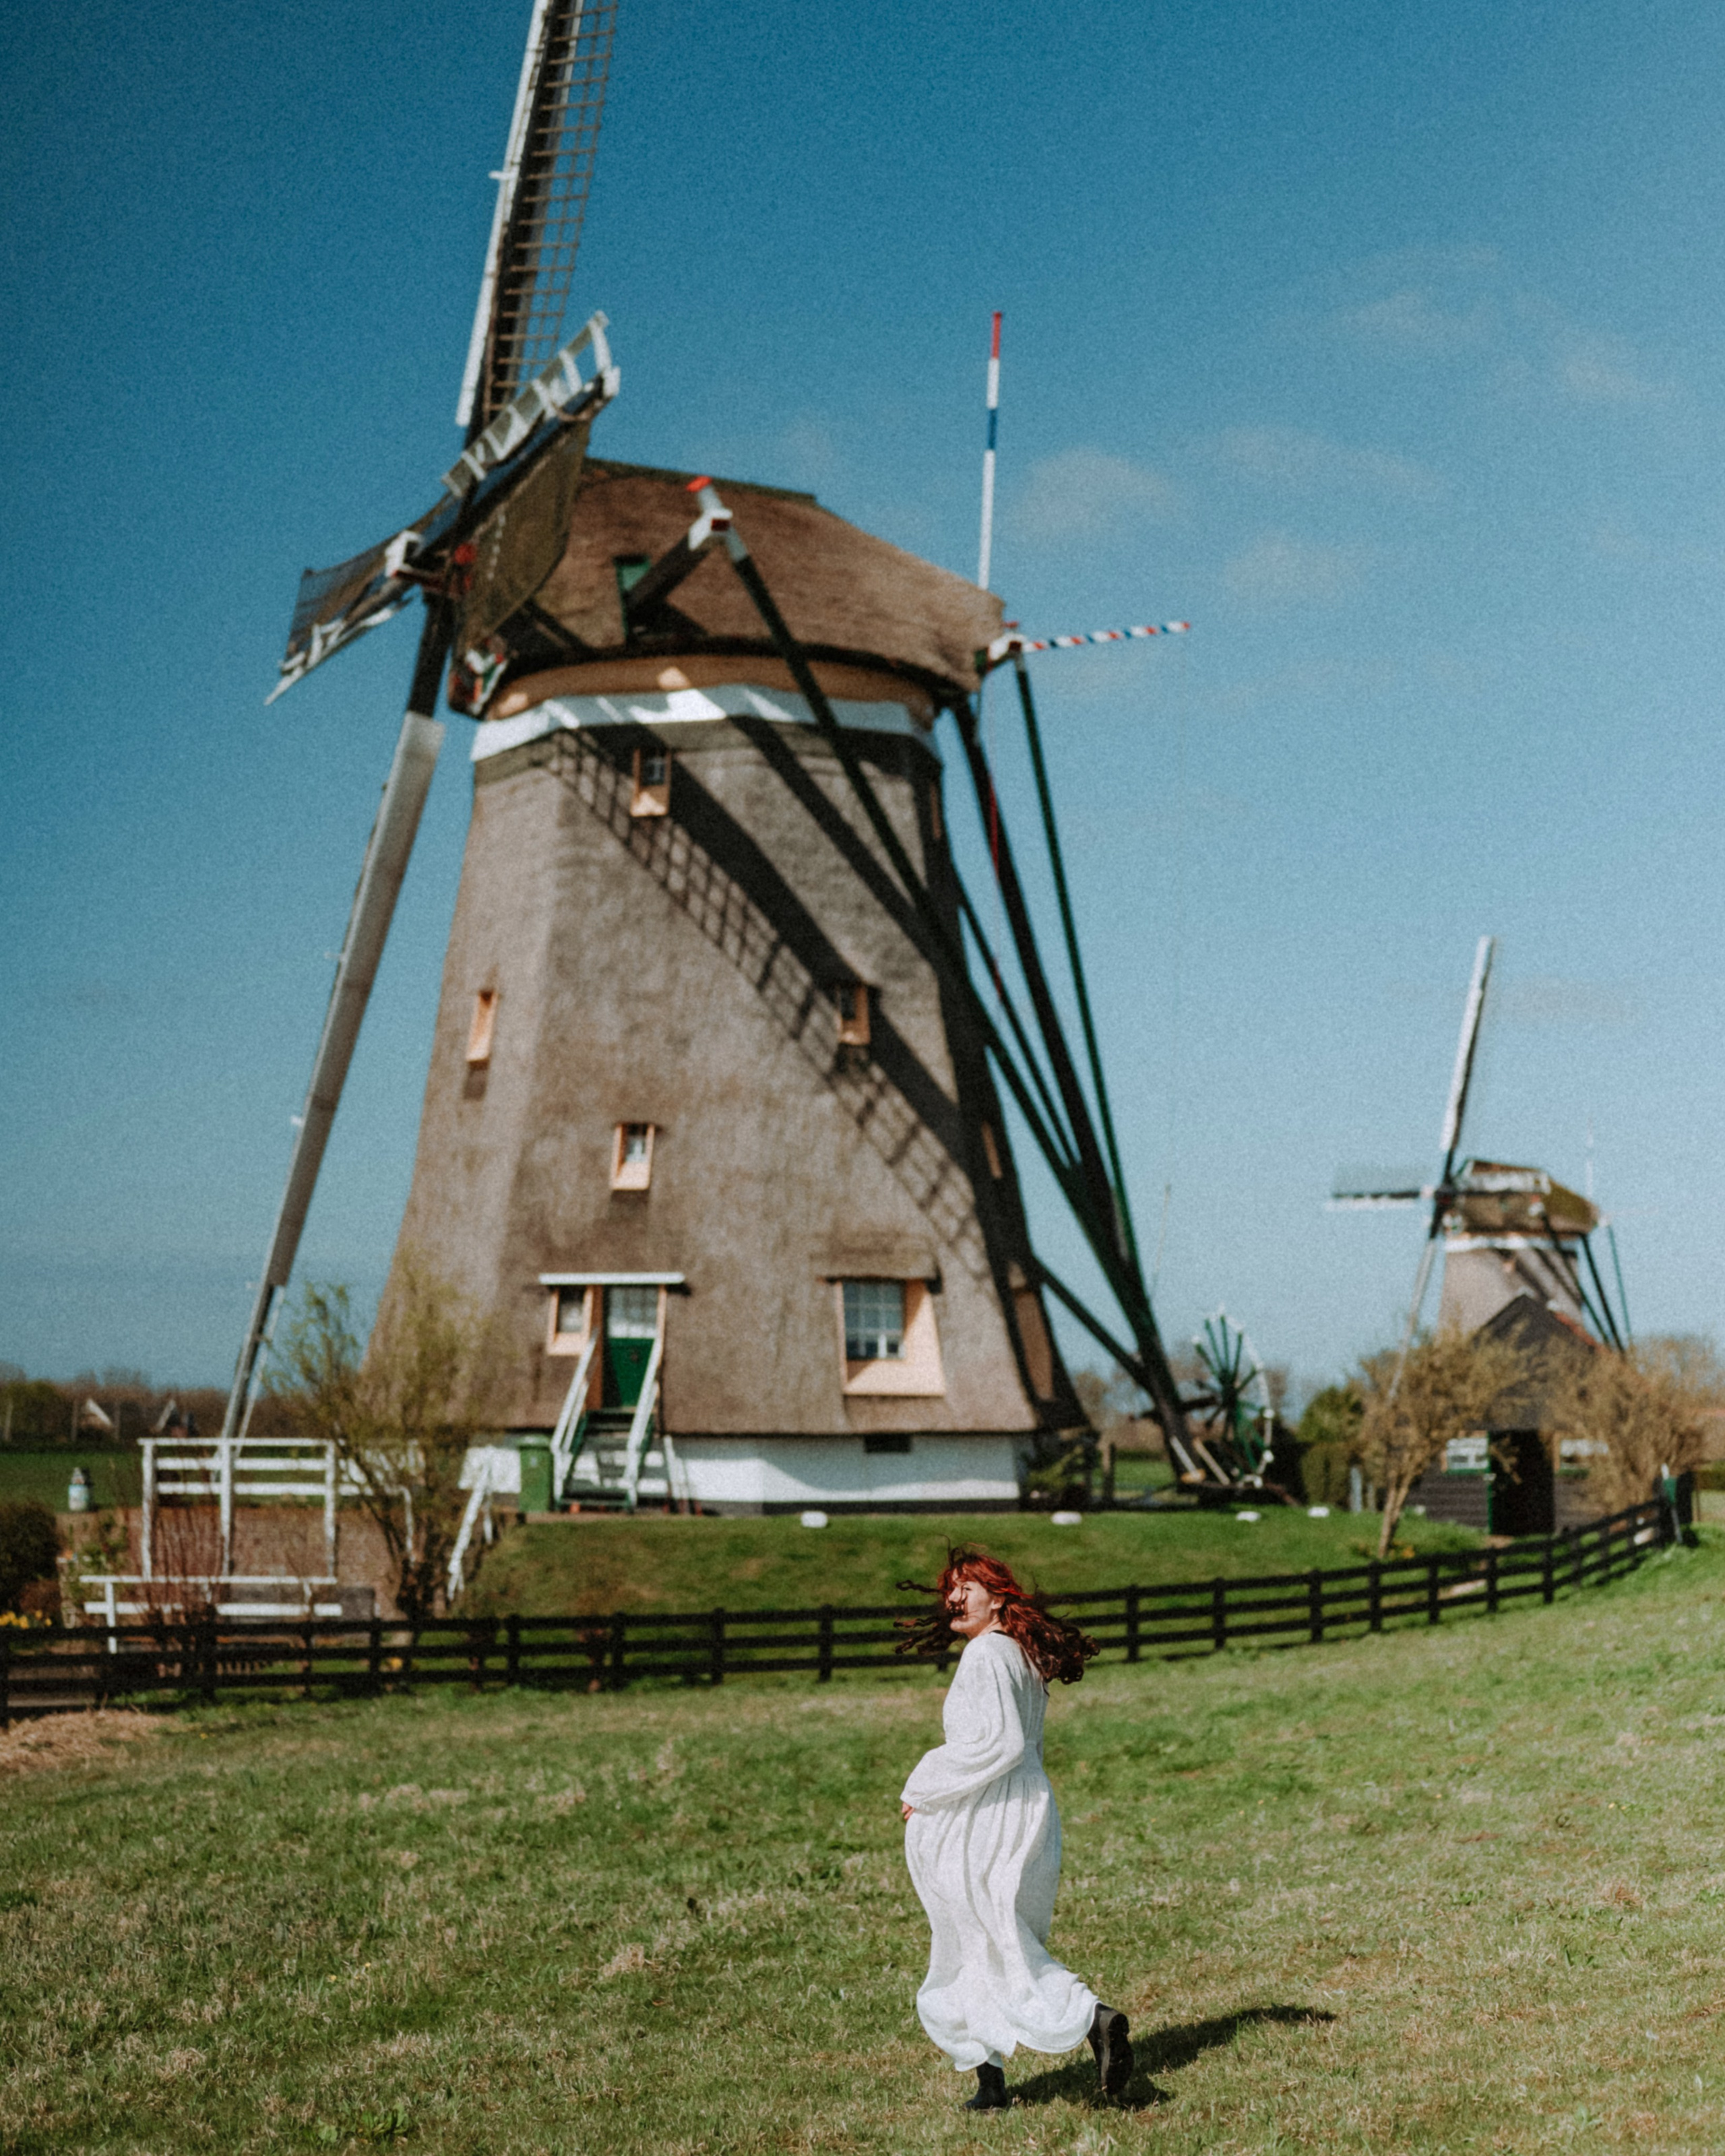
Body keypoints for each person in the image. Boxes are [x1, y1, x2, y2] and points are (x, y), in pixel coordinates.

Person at [896, 1547, 1134, 2112]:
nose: (952, 1599)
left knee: (981, 1935)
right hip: (1024, 1803)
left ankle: (1089, 2019)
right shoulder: (1019, 1655)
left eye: (966, 1588)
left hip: (991, 1810)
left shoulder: (986, 1655)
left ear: (997, 1596)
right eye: (947, 1591)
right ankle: (992, 2080)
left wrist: (924, 1784)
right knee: (987, 1935)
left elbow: (997, 1745)